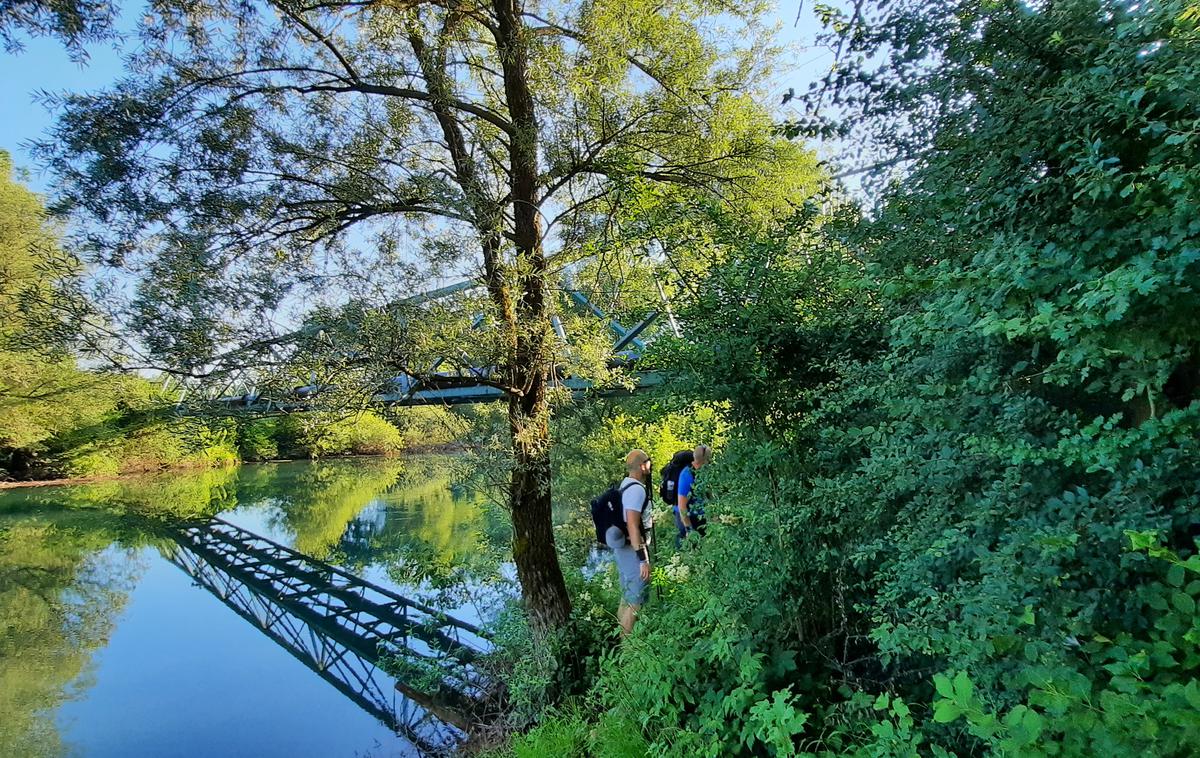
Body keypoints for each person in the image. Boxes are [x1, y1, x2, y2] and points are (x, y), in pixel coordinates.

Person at [608, 448, 653, 636]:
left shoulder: (625, 485)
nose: (650, 466)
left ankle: (621, 641)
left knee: (626, 598)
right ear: (642, 466)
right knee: (635, 600)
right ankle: (628, 649)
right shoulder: (636, 490)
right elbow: (633, 525)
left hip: (623, 549)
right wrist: (643, 559)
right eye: (648, 462)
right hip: (632, 550)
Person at [675, 444, 711, 545]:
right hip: (687, 518)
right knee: (690, 547)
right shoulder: (687, 475)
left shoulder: (703, 472)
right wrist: (689, 529)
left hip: (700, 517)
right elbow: (682, 506)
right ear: (705, 460)